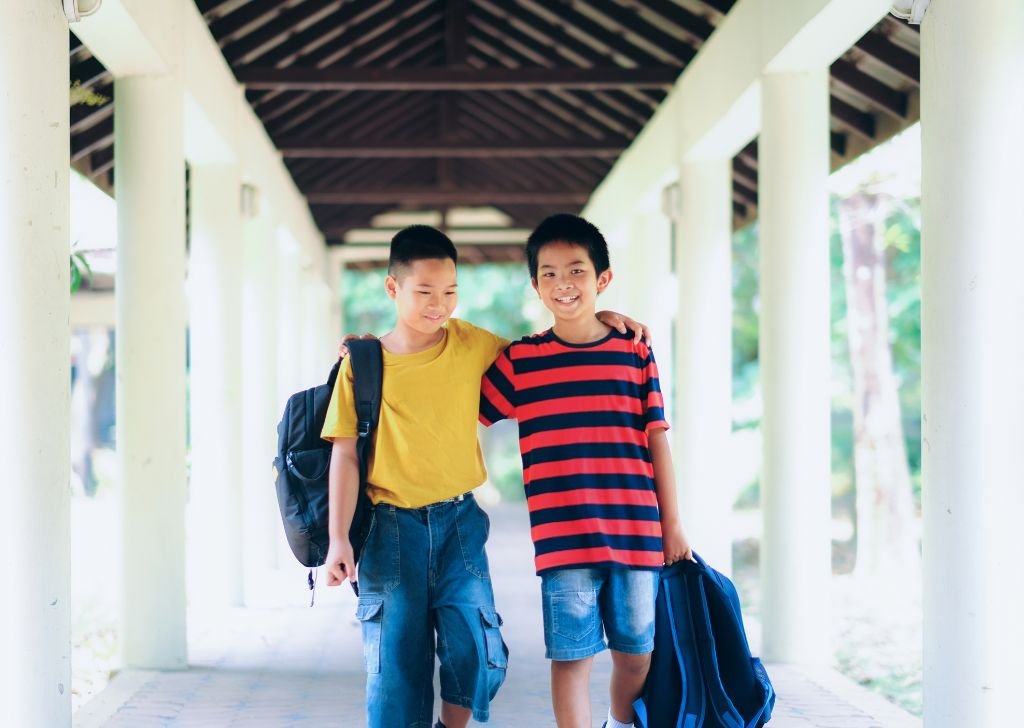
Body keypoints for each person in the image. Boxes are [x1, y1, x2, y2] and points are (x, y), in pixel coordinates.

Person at [320, 224, 648, 728]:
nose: (439, 304)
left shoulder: (472, 342)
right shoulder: (363, 364)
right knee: (394, 673)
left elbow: (550, 352)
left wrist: (599, 316)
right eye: (424, 291)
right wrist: (338, 539)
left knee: (478, 653)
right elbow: (344, 456)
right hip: (389, 533)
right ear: (393, 288)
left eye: (450, 292)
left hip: (459, 524)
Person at [479, 213, 694, 728]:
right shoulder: (521, 361)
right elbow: (455, 402)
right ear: (535, 285)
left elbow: (657, 440)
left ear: (603, 279)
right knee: (571, 656)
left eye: (576, 271)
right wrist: (379, 352)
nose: (562, 284)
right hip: (563, 538)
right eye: (548, 274)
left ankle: (619, 722)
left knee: (637, 652)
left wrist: (673, 524)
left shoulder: (634, 349)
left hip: (636, 530)